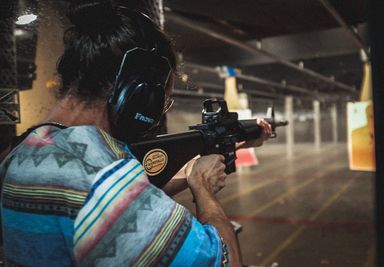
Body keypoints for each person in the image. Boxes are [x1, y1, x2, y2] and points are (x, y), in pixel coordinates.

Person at [0, 1, 271, 266]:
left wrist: (201, 166)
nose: (158, 112)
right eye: (162, 100)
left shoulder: (23, 151)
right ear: (140, 93)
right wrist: (204, 189)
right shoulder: (98, 182)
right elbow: (227, 260)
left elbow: (135, 193)